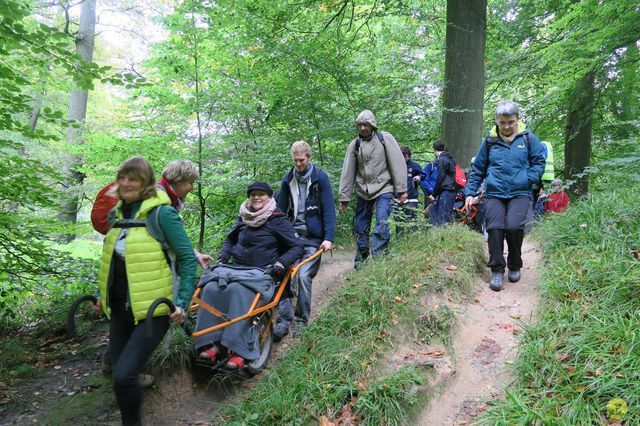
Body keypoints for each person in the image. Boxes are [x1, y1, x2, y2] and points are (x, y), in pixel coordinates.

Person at [91, 156, 197, 426]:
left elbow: (186, 258)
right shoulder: (117, 214)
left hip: (154, 310)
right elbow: (112, 261)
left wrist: (182, 302)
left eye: (133, 178)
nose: (126, 183)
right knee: (119, 374)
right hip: (119, 308)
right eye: (122, 177)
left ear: (146, 184)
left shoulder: (162, 213)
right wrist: (102, 295)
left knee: (124, 375)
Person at [100, 159, 211, 380]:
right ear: (178, 181)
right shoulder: (160, 201)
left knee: (129, 313)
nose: (191, 187)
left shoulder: (165, 197)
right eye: (190, 182)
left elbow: (164, 238)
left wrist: (194, 253)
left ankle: (114, 364)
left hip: (126, 267)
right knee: (141, 314)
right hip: (141, 268)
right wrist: (181, 303)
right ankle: (129, 372)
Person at [195, 182, 303, 369]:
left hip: (263, 274)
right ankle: (213, 343)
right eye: (253, 194)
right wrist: (223, 256)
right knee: (212, 288)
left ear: (270, 197)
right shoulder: (244, 218)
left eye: (261, 194)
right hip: (236, 269)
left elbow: (297, 246)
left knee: (238, 291)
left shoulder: (278, 219)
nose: (256, 197)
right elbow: (230, 240)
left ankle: (239, 350)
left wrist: (281, 264)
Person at [464, 100, 545, 291]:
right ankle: (497, 270)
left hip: (520, 192)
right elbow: (478, 169)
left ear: (517, 119)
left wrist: (527, 178)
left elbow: (538, 162)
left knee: (515, 227)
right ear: (497, 121)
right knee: (494, 228)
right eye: (502, 122)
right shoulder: (490, 142)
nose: (507, 126)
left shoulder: (528, 139)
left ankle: (515, 264)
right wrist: (470, 192)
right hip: (495, 192)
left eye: (510, 122)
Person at [273, 141, 336, 340]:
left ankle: (301, 322)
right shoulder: (288, 179)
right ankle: (283, 321)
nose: (298, 164)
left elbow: (328, 210)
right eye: (295, 161)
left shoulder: (320, 179)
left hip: (313, 239)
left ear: (309, 158)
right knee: (281, 273)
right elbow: (280, 212)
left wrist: (328, 238)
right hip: (292, 238)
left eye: (301, 160)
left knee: (302, 276)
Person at [338, 110, 407, 268]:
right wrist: (344, 199)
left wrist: (402, 190)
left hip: (385, 187)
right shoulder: (354, 145)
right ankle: (361, 258)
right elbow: (347, 172)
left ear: (372, 125)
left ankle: (379, 258)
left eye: (366, 124)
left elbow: (397, 164)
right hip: (363, 190)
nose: (363, 128)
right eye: (360, 125)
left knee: (382, 220)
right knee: (361, 225)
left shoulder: (385, 139)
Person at [393, 146, 423, 234]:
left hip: (411, 198)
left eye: (404, 156)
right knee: (398, 222)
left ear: (408, 156)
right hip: (397, 199)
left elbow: (423, 175)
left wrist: (419, 177)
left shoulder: (415, 166)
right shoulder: (395, 166)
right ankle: (399, 241)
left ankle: (413, 240)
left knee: (412, 221)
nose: (402, 158)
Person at [429, 140, 458, 226]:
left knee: (442, 219)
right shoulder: (450, 159)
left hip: (447, 190)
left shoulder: (442, 160)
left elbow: (441, 177)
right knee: (445, 216)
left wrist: (433, 194)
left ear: (434, 149)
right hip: (451, 190)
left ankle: (443, 237)